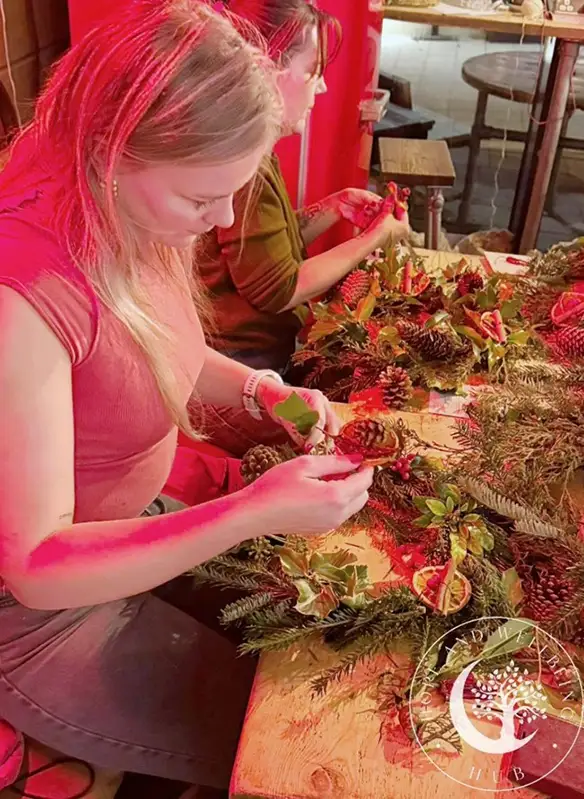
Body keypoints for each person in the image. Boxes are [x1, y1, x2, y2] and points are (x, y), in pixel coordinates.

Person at [0, 2, 374, 797]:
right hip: (40, 617)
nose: (225, 219)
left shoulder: (134, 212)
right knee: (292, 746)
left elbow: (162, 347)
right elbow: (34, 566)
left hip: (135, 526)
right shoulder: (20, 296)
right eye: (204, 198)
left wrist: (259, 387)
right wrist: (249, 511)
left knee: (334, 638)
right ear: (109, 155)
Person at [195, 0, 409, 456]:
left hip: (259, 374)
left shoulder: (255, 156)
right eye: (313, 68)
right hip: (234, 377)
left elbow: (263, 257)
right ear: (265, 67)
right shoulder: (240, 169)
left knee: (339, 417)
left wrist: (332, 208)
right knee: (339, 446)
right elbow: (278, 287)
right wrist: (372, 240)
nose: (324, 85)